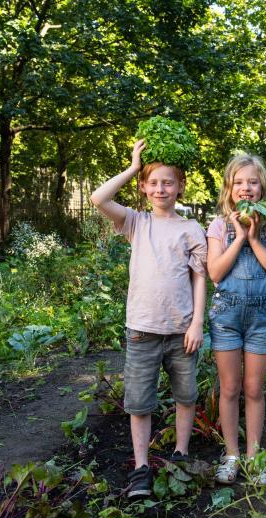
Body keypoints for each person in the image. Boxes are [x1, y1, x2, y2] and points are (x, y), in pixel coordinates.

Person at [90, 139, 207, 499]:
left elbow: (199, 277)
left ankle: (180, 454)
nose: (161, 188)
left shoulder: (191, 228)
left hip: (180, 330)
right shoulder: (135, 223)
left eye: (168, 182)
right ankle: (141, 467)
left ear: (180, 186)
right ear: (143, 187)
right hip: (142, 329)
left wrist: (197, 322)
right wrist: (133, 166)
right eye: (153, 182)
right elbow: (98, 199)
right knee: (139, 402)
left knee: (185, 396)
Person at [206, 154, 266, 485]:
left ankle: (255, 458)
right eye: (239, 182)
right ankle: (231, 455)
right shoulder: (219, 226)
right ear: (230, 189)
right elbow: (215, 271)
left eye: (252, 182)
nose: (246, 188)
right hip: (226, 315)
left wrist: (255, 237)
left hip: (260, 317)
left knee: (254, 388)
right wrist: (239, 236)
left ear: (262, 187)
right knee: (229, 387)